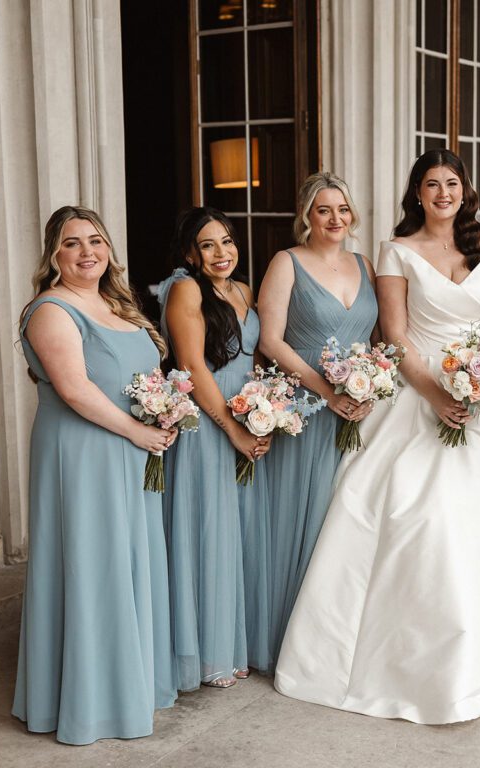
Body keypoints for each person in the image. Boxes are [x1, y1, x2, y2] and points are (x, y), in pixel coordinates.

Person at [274, 150, 480, 723]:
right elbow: (397, 335)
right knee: (420, 520)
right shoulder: (395, 251)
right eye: (432, 185)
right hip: (419, 393)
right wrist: (438, 394)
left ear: (464, 190)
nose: (443, 193)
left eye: (452, 183)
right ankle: (409, 661)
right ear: (417, 194)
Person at [12, 206, 176, 744]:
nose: (87, 252)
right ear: (53, 255)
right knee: (92, 565)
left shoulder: (115, 304)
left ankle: (126, 684)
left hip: (131, 449)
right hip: (83, 452)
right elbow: (75, 390)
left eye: (96, 241)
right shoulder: (51, 308)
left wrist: (163, 415)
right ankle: (88, 702)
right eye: (72, 243)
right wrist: (138, 431)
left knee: (126, 562)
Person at [257, 171, 378, 666]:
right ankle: (286, 638)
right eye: (324, 209)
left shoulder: (366, 264)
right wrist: (326, 390)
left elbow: (379, 339)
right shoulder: (287, 263)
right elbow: (270, 340)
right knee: (302, 513)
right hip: (309, 405)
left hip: (364, 409)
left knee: (350, 518)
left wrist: (374, 382)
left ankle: (336, 638)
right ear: (306, 215)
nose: (335, 219)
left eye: (343, 209)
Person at [158, 207, 272, 689]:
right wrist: (234, 428)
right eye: (208, 245)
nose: (222, 253)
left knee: (236, 533)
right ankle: (206, 653)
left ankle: (232, 641)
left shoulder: (244, 290)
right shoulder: (185, 289)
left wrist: (269, 406)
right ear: (190, 252)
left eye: (227, 241)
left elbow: (256, 357)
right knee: (208, 532)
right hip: (208, 425)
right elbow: (192, 365)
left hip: (247, 417)